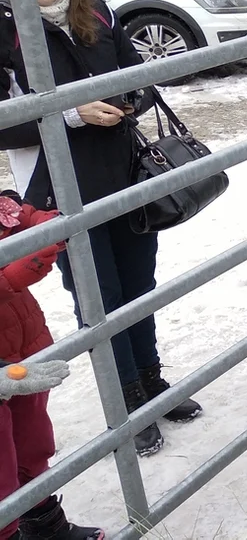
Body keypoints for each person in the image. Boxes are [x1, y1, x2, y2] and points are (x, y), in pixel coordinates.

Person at [0, 0, 201, 459]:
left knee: (138, 286)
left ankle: (152, 379)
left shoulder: (98, 12)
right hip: (58, 190)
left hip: (126, 175)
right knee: (100, 300)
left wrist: (129, 98)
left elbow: (138, 77)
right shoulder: (3, 31)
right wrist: (68, 114)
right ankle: (126, 400)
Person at [1, 190, 103, 540]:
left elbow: (35, 219)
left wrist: (43, 229)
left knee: (33, 444)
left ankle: (46, 527)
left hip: (24, 352)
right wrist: (8, 277)